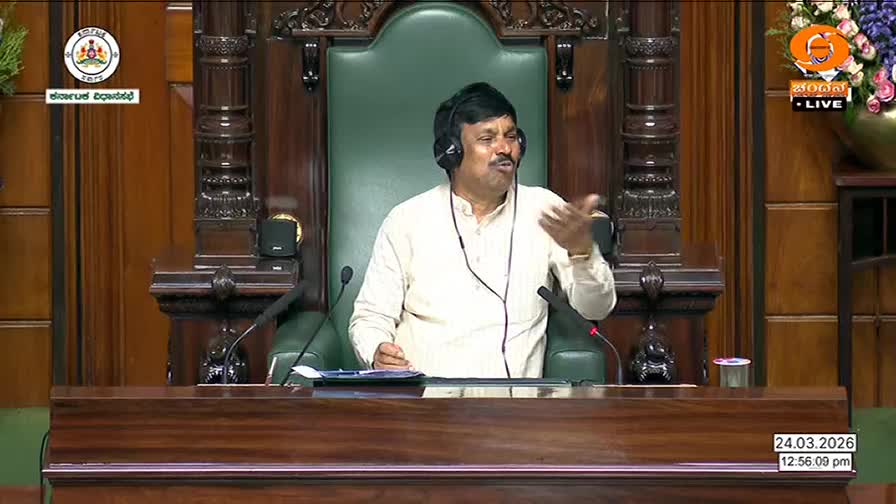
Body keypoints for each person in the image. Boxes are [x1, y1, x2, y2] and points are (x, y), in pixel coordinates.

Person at [348, 82, 616, 378]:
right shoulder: (406, 220)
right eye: (487, 139)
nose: (504, 149)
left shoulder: (545, 210)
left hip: (510, 401)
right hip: (423, 398)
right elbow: (371, 316)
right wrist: (377, 351)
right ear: (451, 153)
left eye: (511, 136)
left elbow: (596, 309)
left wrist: (582, 253)